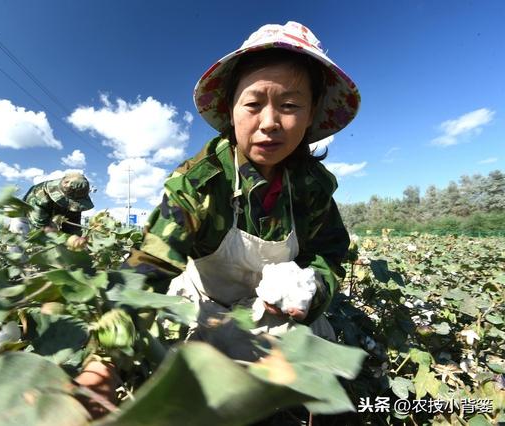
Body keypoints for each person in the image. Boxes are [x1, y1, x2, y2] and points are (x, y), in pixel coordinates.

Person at [78, 20, 360, 416]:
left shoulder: (312, 188)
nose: (269, 122)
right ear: (231, 110)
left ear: (312, 115)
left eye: (290, 105)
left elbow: (330, 253)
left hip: (280, 321)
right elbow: (149, 267)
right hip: (204, 311)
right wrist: (103, 362)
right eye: (254, 103)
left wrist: (312, 289)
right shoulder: (199, 183)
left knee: (320, 398)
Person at [21, 172, 94, 235]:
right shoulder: (40, 195)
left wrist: (77, 240)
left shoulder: (77, 202)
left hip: (51, 220)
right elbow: (40, 227)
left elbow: (73, 227)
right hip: (25, 218)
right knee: (21, 241)